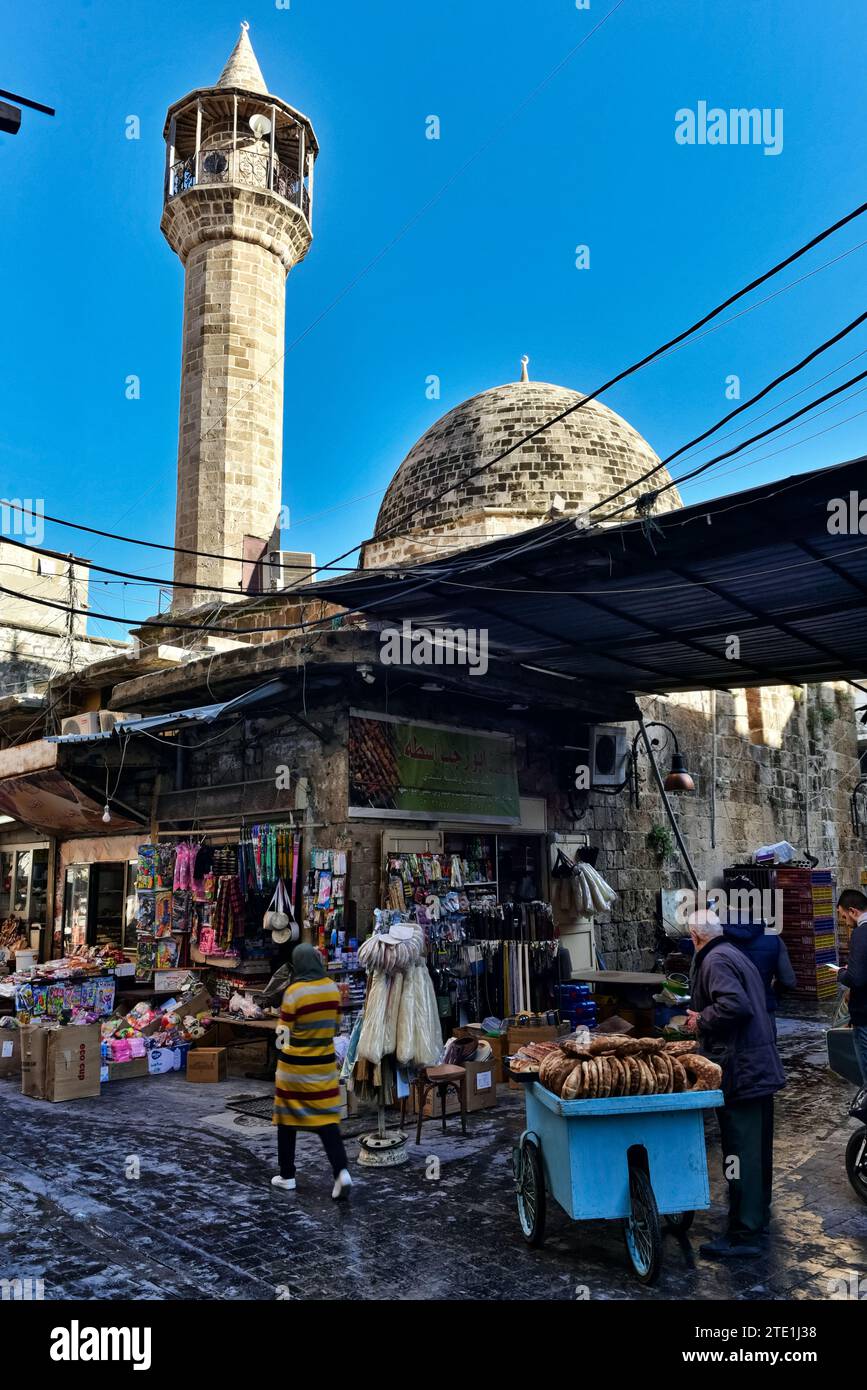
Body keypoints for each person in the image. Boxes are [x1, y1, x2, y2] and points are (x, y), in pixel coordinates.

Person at [685, 908, 786, 1260]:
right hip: (758, 1066)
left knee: (737, 1154)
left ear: (697, 938)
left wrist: (701, 1019)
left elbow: (735, 1006)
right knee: (755, 1150)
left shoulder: (714, 961)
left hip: (741, 1070)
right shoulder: (734, 954)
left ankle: (743, 1232)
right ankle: (755, 1216)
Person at [271, 943, 352, 1200]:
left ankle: (287, 1175)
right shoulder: (332, 988)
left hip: (295, 1070)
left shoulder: (295, 992)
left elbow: (283, 1034)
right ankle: (341, 1172)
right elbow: (336, 1026)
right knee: (327, 1122)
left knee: (287, 1122)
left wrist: (281, 1046)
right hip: (325, 1067)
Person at [722, 879, 796, 1036]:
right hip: (763, 1012)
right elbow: (788, 980)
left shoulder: (712, 937)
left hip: (725, 1015)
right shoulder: (773, 937)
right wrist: (768, 993)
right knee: (765, 1058)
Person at [836, 889, 867, 1083]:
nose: (845, 921)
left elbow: (856, 978)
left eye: (844, 916)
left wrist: (841, 973)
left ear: (853, 911)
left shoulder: (860, 934)